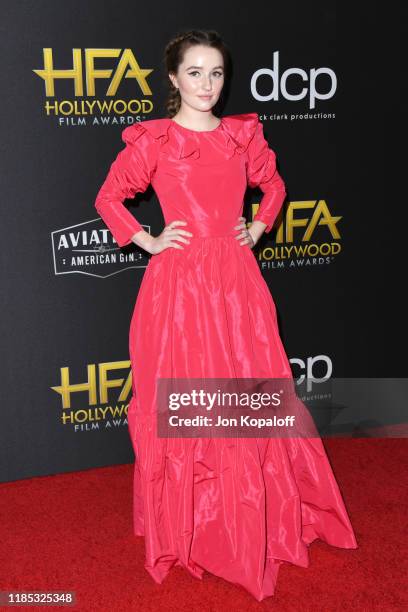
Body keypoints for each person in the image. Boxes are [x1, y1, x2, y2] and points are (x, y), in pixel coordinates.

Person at [94, 29, 358, 601]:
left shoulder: (242, 137)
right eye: (194, 73)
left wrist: (259, 227)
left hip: (237, 283)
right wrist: (148, 239)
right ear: (173, 78)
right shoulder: (156, 141)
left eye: (215, 73)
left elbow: (274, 186)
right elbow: (109, 197)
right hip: (180, 290)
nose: (207, 84)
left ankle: (248, 521)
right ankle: (191, 530)